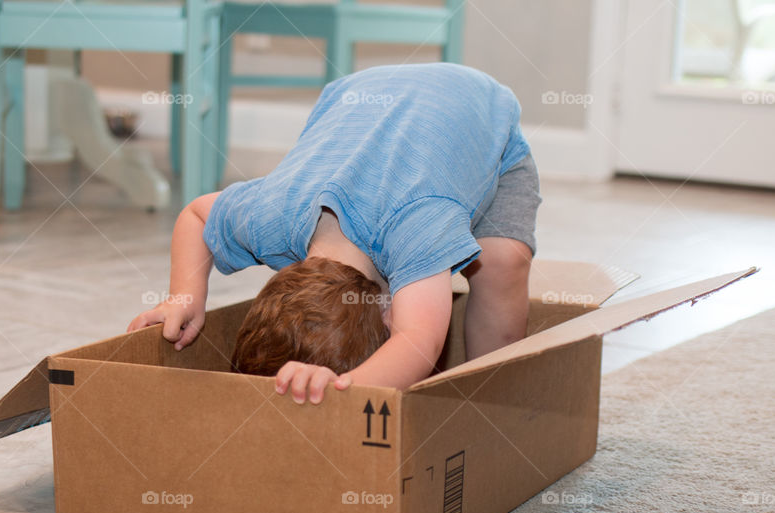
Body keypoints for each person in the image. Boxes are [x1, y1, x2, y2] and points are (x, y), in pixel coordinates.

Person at [128, 63, 541, 404]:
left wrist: (343, 390)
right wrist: (185, 297)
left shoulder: (416, 230)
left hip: (477, 113)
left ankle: (491, 400)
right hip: (363, 93)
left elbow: (420, 341)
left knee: (501, 264)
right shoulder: (272, 220)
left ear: (388, 313)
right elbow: (196, 216)